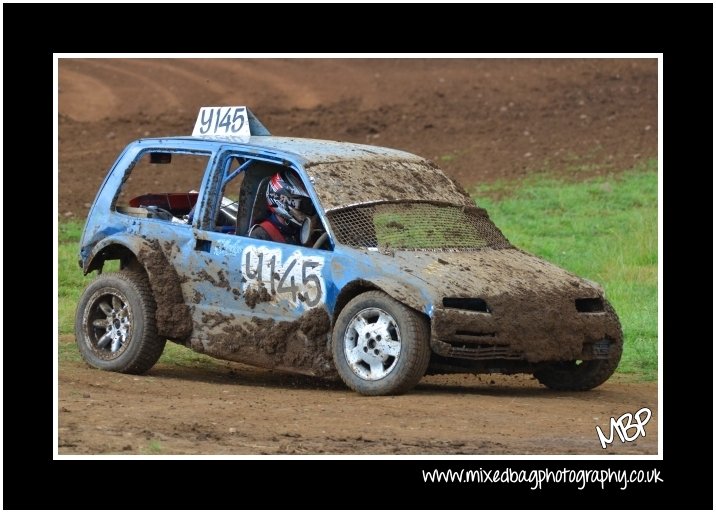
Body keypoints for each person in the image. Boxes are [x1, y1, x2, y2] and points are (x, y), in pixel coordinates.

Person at [248, 169, 315, 245]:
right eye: (305, 204)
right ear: (283, 200)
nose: (310, 210)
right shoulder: (260, 235)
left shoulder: (302, 230)